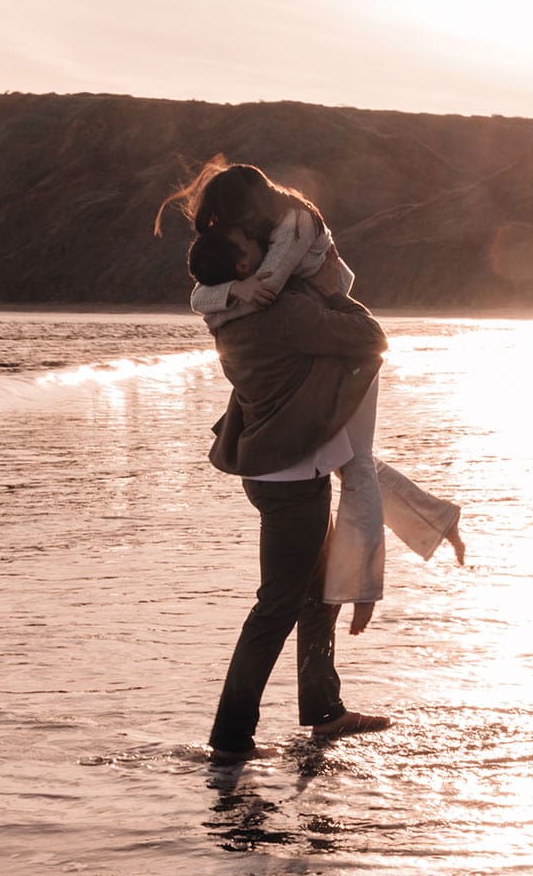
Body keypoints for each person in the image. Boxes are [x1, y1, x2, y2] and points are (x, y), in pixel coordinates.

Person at [160, 158, 465, 607]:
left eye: (227, 222)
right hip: (321, 337)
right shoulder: (266, 229)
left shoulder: (294, 225)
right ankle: (436, 519)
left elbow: (265, 294)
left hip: (346, 344)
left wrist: (226, 302)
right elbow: (213, 296)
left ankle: (361, 589)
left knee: (356, 463)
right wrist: (229, 293)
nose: (225, 233)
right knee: (347, 456)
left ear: (247, 210)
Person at [186, 223, 391, 763]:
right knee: (276, 607)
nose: (268, 251)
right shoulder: (288, 313)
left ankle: (325, 711)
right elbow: (372, 338)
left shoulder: (229, 314)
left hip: (274, 470)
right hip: (293, 479)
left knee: (314, 595)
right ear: (239, 267)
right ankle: (230, 737)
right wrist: (334, 295)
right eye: (254, 246)